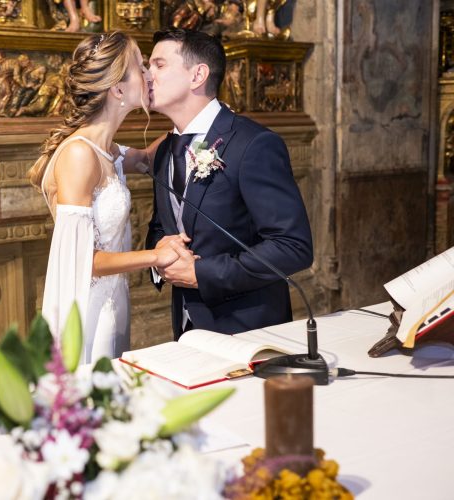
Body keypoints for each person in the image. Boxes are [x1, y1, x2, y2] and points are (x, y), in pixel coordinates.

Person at [146, 28, 312, 338]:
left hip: (249, 329)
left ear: (198, 75)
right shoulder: (165, 150)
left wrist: (202, 273)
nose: (147, 75)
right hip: (186, 327)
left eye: (159, 64)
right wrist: (158, 255)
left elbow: (293, 246)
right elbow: (162, 226)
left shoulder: (253, 144)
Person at [29, 31, 180, 363]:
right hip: (85, 308)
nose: (149, 74)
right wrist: (156, 256)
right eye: (141, 67)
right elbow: (86, 260)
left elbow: (143, 158)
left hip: (113, 299)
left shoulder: (106, 149)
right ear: (118, 88)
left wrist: (190, 120)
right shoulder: (80, 155)